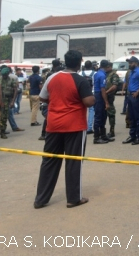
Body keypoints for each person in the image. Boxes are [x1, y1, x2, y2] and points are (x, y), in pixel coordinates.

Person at [33, 50, 94, 209]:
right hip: (74, 125)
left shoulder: (52, 77)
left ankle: (41, 199)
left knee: (49, 161)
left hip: (53, 125)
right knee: (74, 162)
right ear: (80, 62)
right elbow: (88, 102)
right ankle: (74, 198)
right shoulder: (80, 80)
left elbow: (43, 97)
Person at [122, 56, 139, 145]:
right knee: (131, 117)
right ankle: (132, 136)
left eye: (131, 63)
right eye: (129, 63)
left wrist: (138, 91)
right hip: (130, 95)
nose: (130, 64)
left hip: (135, 96)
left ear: (136, 63)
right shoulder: (131, 72)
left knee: (137, 117)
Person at [0, 66, 24, 139]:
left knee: (4, 117)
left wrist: (13, 101)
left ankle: (2, 131)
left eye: (5, 75)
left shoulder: (11, 80)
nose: (4, 76)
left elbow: (15, 90)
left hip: (8, 99)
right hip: (0, 99)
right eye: (3, 75)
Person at [92, 60, 113, 144]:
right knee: (99, 117)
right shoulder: (102, 75)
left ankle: (103, 135)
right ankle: (96, 137)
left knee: (103, 116)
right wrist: (106, 102)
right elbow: (102, 89)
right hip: (99, 96)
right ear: (107, 66)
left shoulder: (98, 73)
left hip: (98, 94)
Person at [103, 61, 120, 138]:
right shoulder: (104, 74)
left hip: (109, 96)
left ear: (110, 67)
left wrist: (106, 92)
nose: (105, 68)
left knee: (111, 113)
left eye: (107, 67)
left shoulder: (114, 75)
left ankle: (112, 131)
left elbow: (114, 86)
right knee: (102, 113)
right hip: (103, 96)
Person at [81, 61, 95, 134]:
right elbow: (94, 84)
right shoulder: (94, 73)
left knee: (81, 110)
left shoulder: (80, 73)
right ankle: (89, 127)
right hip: (91, 93)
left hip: (81, 94)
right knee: (92, 110)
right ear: (91, 65)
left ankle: (81, 126)